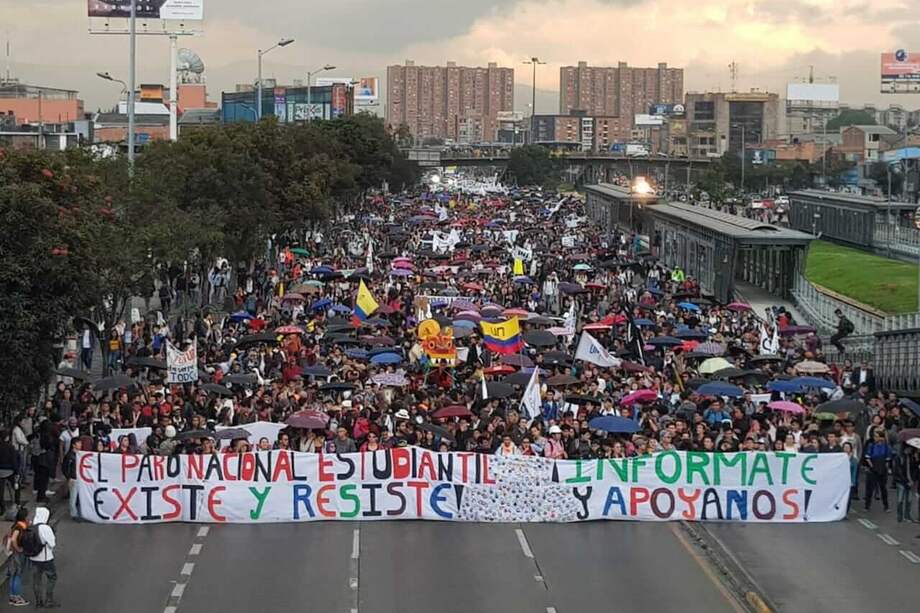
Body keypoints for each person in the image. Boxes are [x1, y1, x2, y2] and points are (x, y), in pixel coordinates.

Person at [28, 506, 58, 608]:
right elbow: (52, 544)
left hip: (33, 558)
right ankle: (48, 600)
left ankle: (38, 601)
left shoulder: (31, 526)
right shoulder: (45, 528)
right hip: (46, 558)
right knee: (52, 577)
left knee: (37, 580)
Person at [4, 508, 29, 607]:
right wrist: (18, 549)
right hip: (17, 554)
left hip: (12, 554)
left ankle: (12, 597)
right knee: (18, 575)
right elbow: (14, 539)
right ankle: (17, 597)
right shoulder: (19, 527)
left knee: (13, 575)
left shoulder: (15, 525)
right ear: (24, 517)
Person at [863, 429, 890, 512]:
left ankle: (886, 506)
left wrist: (885, 468)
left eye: (877, 436)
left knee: (883, 488)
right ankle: (867, 506)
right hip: (873, 468)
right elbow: (867, 457)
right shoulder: (871, 445)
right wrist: (872, 467)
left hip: (882, 468)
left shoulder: (886, 446)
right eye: (875, 436)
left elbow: (888, 458)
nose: (875, 438)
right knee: (869, 488)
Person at [61, 436, 82, 519]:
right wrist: (68, 478)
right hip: (73, 479)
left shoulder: (80, 454)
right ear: (73, 445)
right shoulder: (70, 456)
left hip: (80, 478)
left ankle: (78, 512)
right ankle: (74, 514)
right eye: (78, 443)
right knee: (73, 497)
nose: (80, 444)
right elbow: (65, 468)